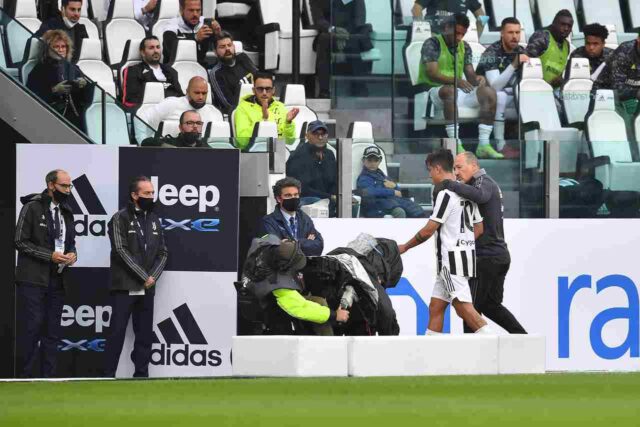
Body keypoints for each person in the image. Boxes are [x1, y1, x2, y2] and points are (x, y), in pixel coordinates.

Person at [398, 149, 491, 335]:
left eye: (430, 170)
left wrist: (405, 247)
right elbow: (479, 228)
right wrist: (463, 243)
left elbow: (429, 229)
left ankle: (495, 343)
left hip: (450, 261)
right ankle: (431, 350)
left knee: (462, 307)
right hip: (464, 258)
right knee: (436, 306)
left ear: (438, 169)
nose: (430, 175)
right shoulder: (467, 191)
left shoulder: (445, 194)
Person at [441, 152, 527, 334]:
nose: (456, 172)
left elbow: (480, 196)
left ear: (474, 166)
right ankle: (523, 339)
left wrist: (450, 184)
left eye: (459, 167)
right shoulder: (477, 184)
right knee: (490, 305)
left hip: (487, 257)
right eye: (454, 168)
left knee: (470, 310)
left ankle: (473, 352)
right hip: (497, 256)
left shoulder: (483, 182)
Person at [103, 176, 168, 378]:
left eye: (152, 193)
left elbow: (163, 252)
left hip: (147, 287)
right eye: (146, 193)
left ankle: (141, 375)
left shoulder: (154, 219)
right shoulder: (119, 218)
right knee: (116, 333)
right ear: (134, 195)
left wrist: (152, 277)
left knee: (145, 335)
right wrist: (143, 276)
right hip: (125, 286)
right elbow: (120, 251)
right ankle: (106, 376)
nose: (151, 196)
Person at [14, 169, 77, 377]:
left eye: (69, 186)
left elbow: (70, 243)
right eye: (64, 186)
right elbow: (20, 241)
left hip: (58, 279)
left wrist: (73, 255)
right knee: (31, 329)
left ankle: (48, 378)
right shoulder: (32, 207)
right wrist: (49, 255)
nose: (68, 190)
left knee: (52, 331)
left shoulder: (67, 212)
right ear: (51, 185)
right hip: (32, 280)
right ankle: (24, 378)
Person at [420, 14, 500, 158]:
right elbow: (432, 73)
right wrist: (457, 81)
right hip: (433, 91)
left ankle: (483, 144)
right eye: (456, 33)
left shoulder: (465, 46)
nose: (459, 37)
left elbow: (470, 75)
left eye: (462, 34)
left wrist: (478, 79)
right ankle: (455, 143)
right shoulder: (432, 43)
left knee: (489, 93)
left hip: (456, 89)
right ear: (446, 28)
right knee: (450, 91)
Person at [244, 236, 349, 335]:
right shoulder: (278, 284)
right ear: (283, 266)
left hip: (255, 291)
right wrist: (334, 315)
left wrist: (285, 243)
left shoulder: (264, 242)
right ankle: (328, 344)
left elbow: (271, 237)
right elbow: (301, 308)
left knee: (317, 301)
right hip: (270, 308)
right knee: (319, 304)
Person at [475, 17, 529, 156]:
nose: (515, 36)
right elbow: (495, 86)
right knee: (501, 95)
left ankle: (531, 148)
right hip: (483, 96)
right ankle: (500, 145)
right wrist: (514, 65)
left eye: (517, 32)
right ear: (502, 33)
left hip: (510, 92)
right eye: (510, 32)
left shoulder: (521, 51)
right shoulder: (491, 52)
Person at [26, 30, 90, 130]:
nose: (60, 50)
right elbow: (31, 98)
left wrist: (83, 86)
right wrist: (54, 90)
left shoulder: (73, 68)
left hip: (74, 114)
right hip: (51, 115)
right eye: (56, 46)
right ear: (48, 49)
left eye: (63, 46)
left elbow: (85, 97)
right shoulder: (40, 69)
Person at [310, 0, 374, 98]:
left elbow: (359, 17)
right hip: (330, 33)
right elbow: (318, 20)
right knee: (323, 40)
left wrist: (344, 35)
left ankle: (359, 88)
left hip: (351, 31)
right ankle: (324, 91)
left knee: (355, 41)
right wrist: (334, 31)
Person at [260, 177, 324, 257]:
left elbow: (319, 245)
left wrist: (294, 243)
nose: (293, 198)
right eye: (288, 195)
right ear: (279, 199)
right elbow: (275, 251)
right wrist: (306, 242)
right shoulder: (269, 221)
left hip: (305, 264)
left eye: (296, 195)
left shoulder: (305, 219)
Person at [356, 146, 426, 218]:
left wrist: (395, 186)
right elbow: (368, 191)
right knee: (400, 211)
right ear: (363, 160)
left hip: (389, 203)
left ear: (380, 161)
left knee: (416, 209)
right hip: (375, 207)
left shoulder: (382, 175)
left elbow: (400, 192)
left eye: (375, 160)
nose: (372, 163)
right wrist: (393, 192)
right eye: (369, 160)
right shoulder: (363, 178)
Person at [234, 72, 298, 149]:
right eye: (260, 89)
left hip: (278, 153)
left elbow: (290, 141)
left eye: (268, 89)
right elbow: (242, 141)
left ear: (273, 90)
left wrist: (288, 123)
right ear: (254, 90)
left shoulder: (280, 107)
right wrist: (263, 119)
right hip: (252, 154)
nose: (264, 93)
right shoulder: (242, 108)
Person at [285, 120, 337, 216]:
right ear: (307, 136)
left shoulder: (330, 155)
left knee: (350, 203)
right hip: (305, 199)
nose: (320, 137)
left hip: (327, 199)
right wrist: (330, 197)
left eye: (323, 134)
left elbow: (334, 181)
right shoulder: (298, 156)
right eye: (316, 134)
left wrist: (338, 196)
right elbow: (302, 188)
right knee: (317, 202)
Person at [122, 36, 184, 109]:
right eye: (151, 48)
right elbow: (129, 101)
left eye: (158, 47)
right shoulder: (133, 71)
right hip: (148, 110)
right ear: (142, 52)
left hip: (173, 109)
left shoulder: (171, 71)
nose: (156, 51)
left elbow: (180, 96)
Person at [138, 76, 219, 131]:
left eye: (204, 93)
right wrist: (143, 144)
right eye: (197, 93)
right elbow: (141, 118)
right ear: (187, 92)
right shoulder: (172, 103)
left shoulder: (213, 113)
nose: (201, 97)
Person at [208, 31, 258, 115]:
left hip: (258, 104)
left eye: (229, 45)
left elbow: (259, 78)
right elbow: (228, 104)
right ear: (215, 52)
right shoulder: (216, 73)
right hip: (240, 113)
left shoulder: (243, 57)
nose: (227, 49)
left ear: (234, 47)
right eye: (222, 47)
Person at [596, 32, 640, 127]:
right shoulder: (625, 52)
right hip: (606, 96)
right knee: (627, 127)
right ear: (638, 39)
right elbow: (617, 89)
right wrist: (637, 93)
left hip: (632, 96)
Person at [162, 0, 222, 66]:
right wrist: (195, 38)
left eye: (198, 10)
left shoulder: (205, 23)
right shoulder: (171, 27)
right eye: (191, 10)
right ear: (181, 10)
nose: (195, 14)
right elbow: (173, 51)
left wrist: (218, 34)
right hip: (175, 67)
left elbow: (220, 46)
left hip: (200, 67)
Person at [526, 9, 574, 89]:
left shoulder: (567, 46)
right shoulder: (542, 37)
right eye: (563, 24)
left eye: (569, 26)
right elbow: (526, 64)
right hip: (535, 89)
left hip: (554, 91)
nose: (566, 28)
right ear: (554, 23)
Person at [411, 0, 486, 35]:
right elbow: (416, 9)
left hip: (456, 39)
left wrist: (476, 37)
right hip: (434, 36)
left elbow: (483, 17)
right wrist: (424, 33)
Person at [141, 110, 211, 147]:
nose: (195, 126)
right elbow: (145, 142)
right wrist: (164, 146)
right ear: (181, 128)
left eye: (198, 123)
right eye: (190, 123)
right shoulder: (171, 143)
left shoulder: (205, 147)